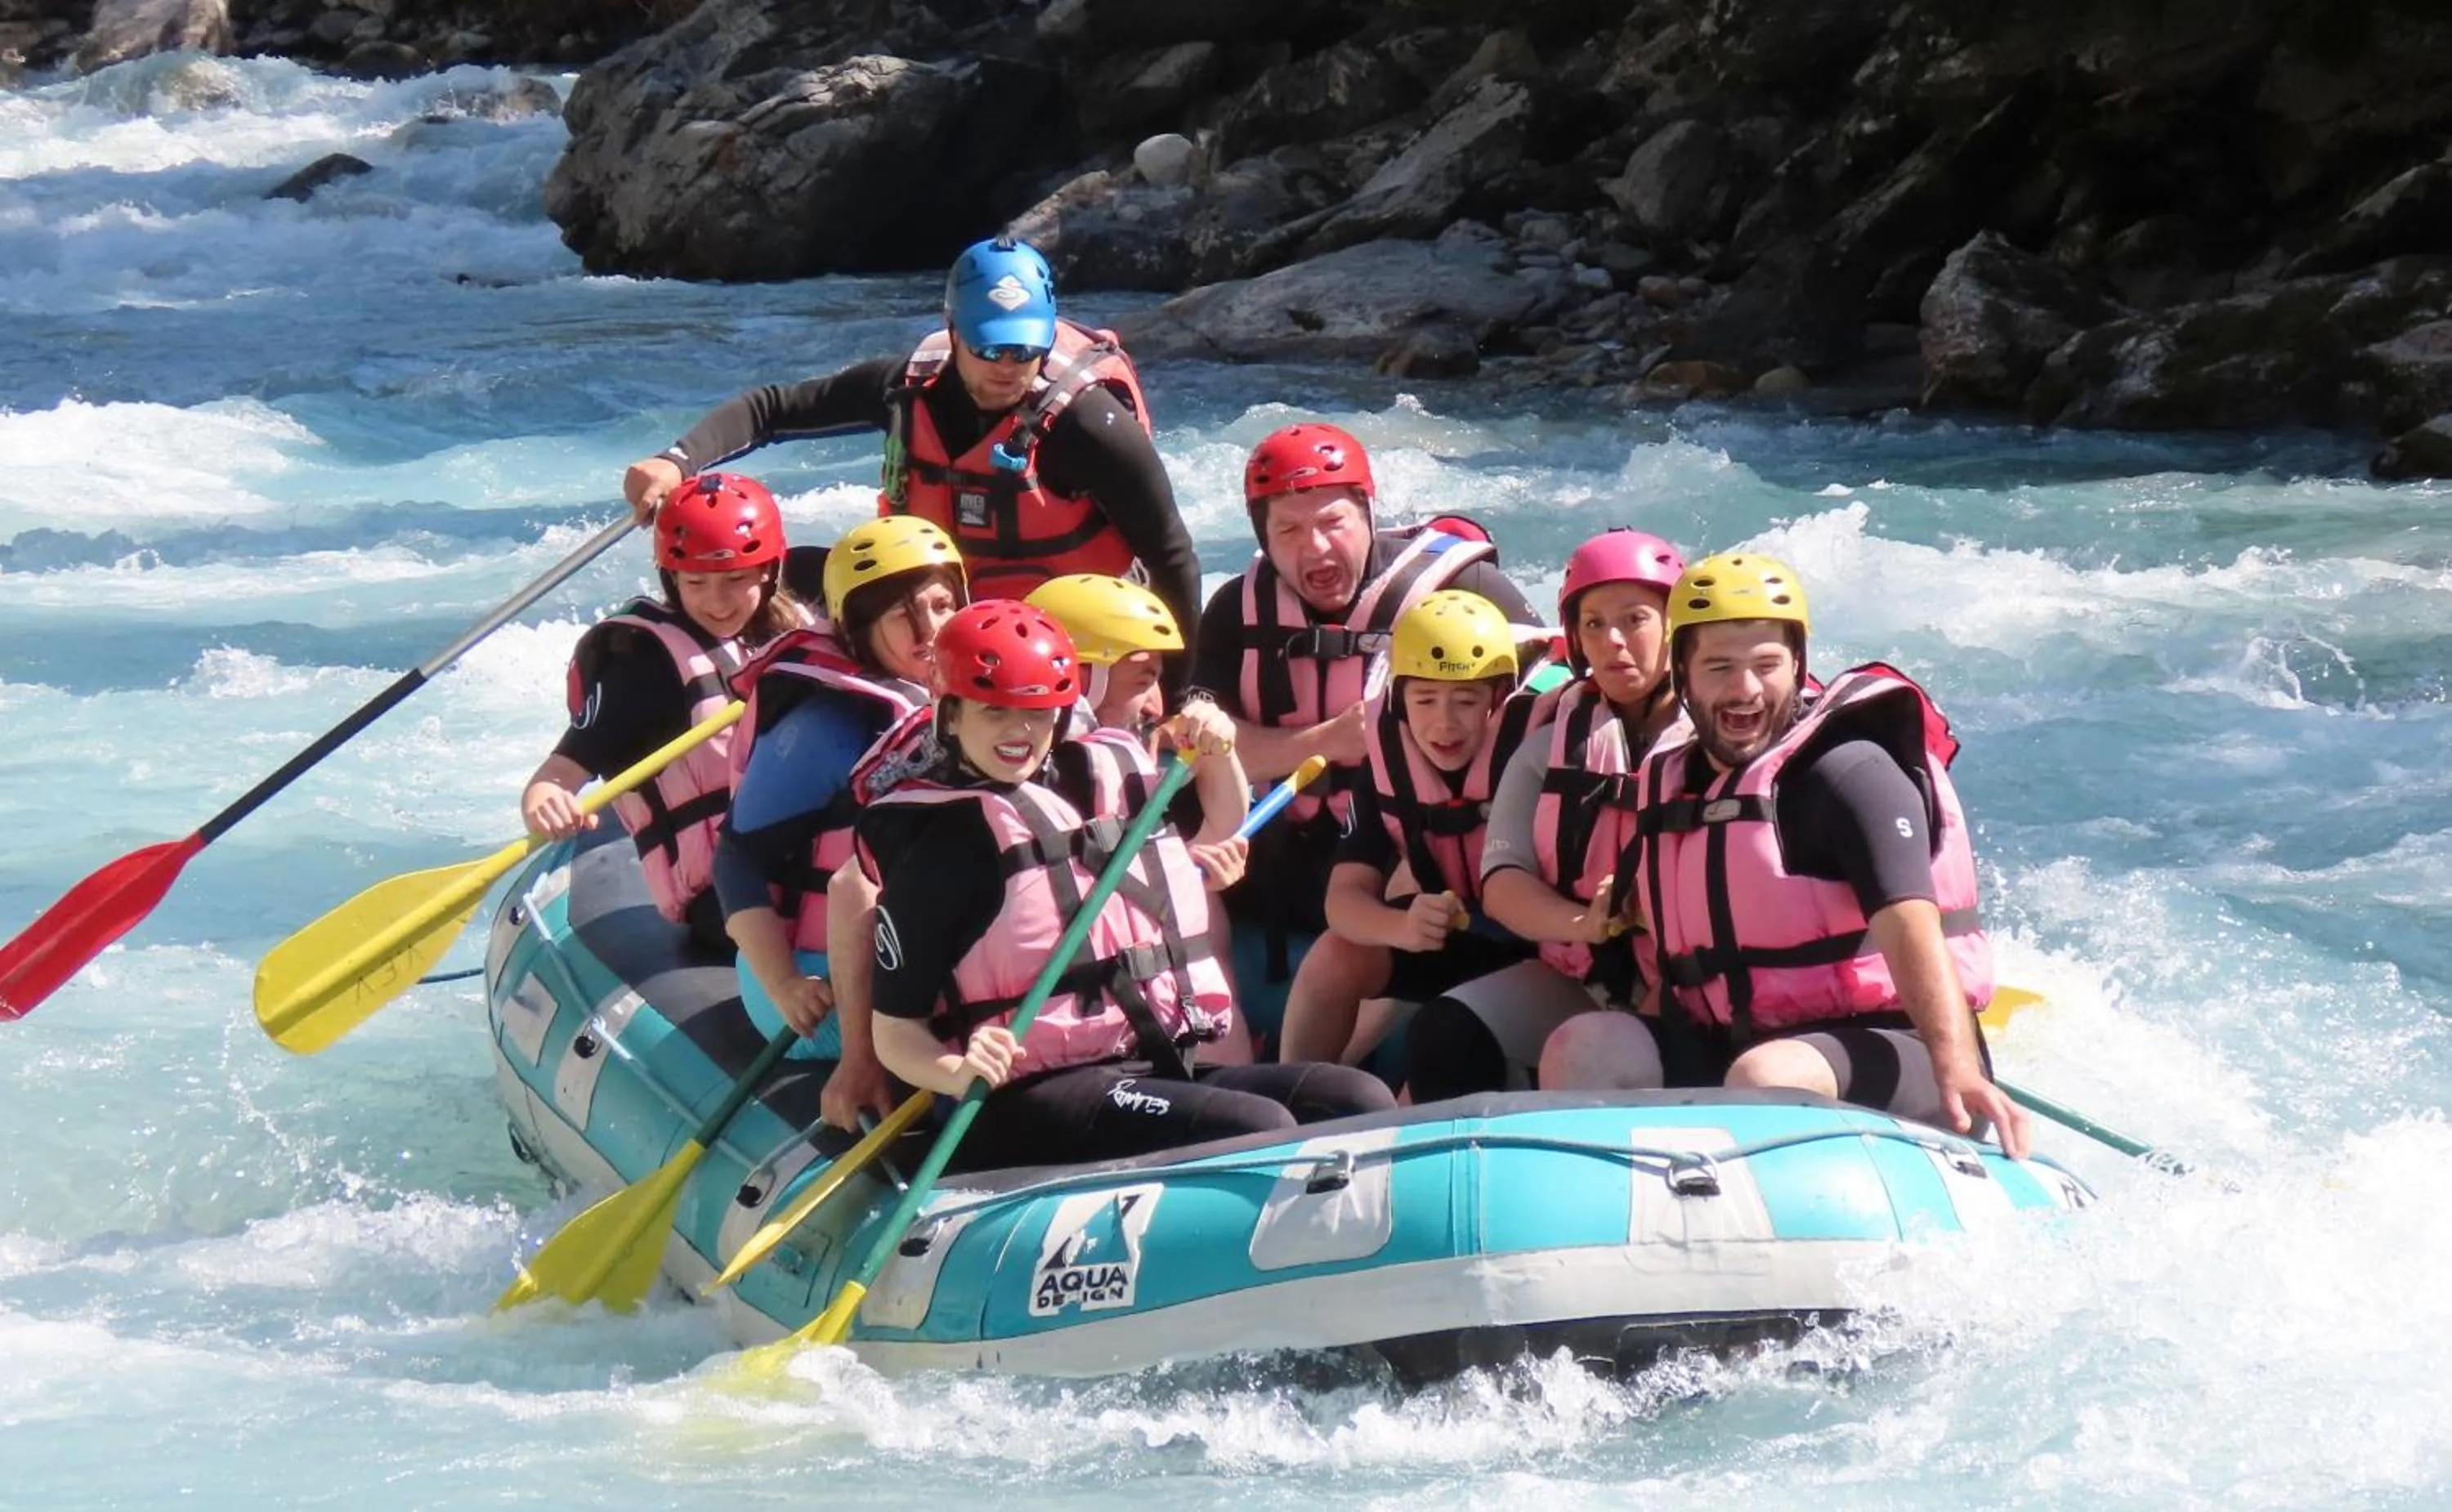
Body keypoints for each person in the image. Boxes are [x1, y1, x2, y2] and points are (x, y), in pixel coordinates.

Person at [859, 602, 1395, 1170]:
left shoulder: (1101, 775)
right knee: (1258, 1128)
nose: (1020, 733)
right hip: (1025, 1099)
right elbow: (894, 1030)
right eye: (994, 712)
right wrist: (957, 1070)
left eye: (1038, 713)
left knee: (1353, 1098)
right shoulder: (943, 843)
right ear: (952, 714)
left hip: (1149, 1064)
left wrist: (1219, 751)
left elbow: (1223, 823)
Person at [1537, 553, 2033, 1158]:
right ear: (1683, 674)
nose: (1744, 688)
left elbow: (1910, 929)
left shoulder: (1849, 774)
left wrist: (1956, 1066)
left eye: (1766, 665)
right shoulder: (1671, 783)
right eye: (1718, 666)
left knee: (1765, 1077)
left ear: (1797, 667)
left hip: (1894, 1047)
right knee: (1582, 1045)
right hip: (1732, 1046)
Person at [618, 235, 1201, 680]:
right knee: (764, 580)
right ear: (953, 332)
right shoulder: (905, 389)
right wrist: (677, 460)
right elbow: (773, 409)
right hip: (936, 615)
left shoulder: (1090, 427)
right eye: (991, 346)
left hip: (1056, 640)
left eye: (1027, 348)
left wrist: (1183, 697)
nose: (1009, 365)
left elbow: (1172, 558)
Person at [1187, 423, 1541, 1037]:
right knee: (1189, 864)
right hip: (1282, 859)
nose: (1316, 549)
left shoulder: (1462, 587)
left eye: (1333, 523)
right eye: (1289, 531)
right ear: (1264, 541)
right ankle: (1226, 1049)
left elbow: (1553, 700)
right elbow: (1204, 737)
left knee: (1415, 863)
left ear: (1368, 516)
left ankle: (1351, 1060)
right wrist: (1327, 740)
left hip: (1411, 853)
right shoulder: (1235, 610)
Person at [1420, 529, 1689, 1101]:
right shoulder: (1551, 744)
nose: (1613, 640)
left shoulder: (1718, 743)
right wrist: (1585, 925)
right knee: (1446, 1031)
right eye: (1594, 624)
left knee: (1603, 1045)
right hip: (1585, 975)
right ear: (1575, 638)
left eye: (1636, 619)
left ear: (1675, 626)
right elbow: (1502, 879)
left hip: (1695, 987)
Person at [713, 516, 965, 1124]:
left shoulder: (972, 703)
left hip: (907, 955)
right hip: (815, 979)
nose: (930, 629)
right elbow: (738, 859)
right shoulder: (828, 723)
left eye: (942, 605)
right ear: (857, 626)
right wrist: (782, 984)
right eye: (905, 614)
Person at [519, 472, 809, 954]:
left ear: (769, 570)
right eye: (696, 583)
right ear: (671, 579)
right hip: (727, 896)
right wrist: (545, 802)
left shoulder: (796, 632)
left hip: (811, 860)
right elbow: (556, 775)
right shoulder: (642, 667)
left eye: (736, 579)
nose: (717, 602)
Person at [1277, 591, 1544, 1081]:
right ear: (1399, 699)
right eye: (1425, 700)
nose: (1444, 722)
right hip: (1453, 938)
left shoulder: (1537, 752)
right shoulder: (1390, 766)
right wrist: (1402, 929)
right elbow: (1344, 900)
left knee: (1445, 1037)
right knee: (1335, 955)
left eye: (1466, 700)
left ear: (1499, 699)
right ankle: (1293, 1098)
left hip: (1542, 953)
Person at [1028, 572, 1258, 1062]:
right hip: (1073, 1052)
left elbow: (1226, 825)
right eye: (1144, 680)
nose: (1157, 704)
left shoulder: (1117, 772)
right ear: (1083, 681)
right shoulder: (1028, 789)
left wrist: (1220, 750)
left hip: (1150, 1033)